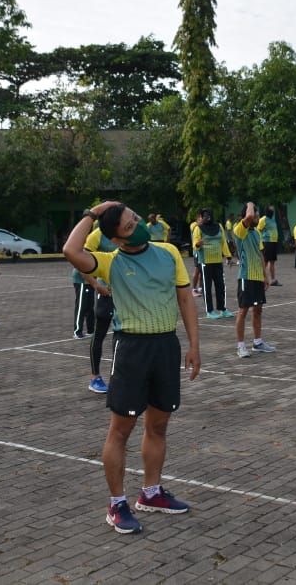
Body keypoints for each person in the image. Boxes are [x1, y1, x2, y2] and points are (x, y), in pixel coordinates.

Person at [63, 201, 201, 535]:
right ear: (115, 239)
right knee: (121, 431)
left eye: (135, 219)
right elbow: (71, 250)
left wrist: (195, 344)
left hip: (166, 346)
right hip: (132, 350)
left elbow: (185, 298)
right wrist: (93, 213)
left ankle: (151, 493)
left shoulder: (168, 252)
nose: (137, 226)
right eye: (128, 226)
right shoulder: (110, 262)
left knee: (158, 425)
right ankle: (116, 504)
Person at [231, 201, 276, 358]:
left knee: (258, 310)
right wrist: (250, 203)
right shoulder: (239, 230)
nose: (257, 216)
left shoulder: (256, 233)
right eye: (255, 214)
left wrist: (265, 276)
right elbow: (249, 215)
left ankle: (258, 342)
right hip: (245, 277)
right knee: (243, 311)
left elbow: (261, 255)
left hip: (257, 277)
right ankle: (240, 346)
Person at [82, 225, 118, 395]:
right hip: (106, 293)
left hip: (125, 294)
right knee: (99, 335)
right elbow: (81, 261)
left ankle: (120, 377)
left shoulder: (123, 232)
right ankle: (95, 377)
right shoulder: (96, 235)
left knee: (124, 336)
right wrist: (96, 284)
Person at [192, 208, 233, 319]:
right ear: (202, 216)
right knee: (207, 287)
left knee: (221, 285)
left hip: (218, 261)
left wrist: (228, 256)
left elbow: (223, 242)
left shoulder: (218, 227)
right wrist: (198, 244)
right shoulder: (198, 229)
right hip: (205, 262)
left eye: (209, 215)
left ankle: (223, 309)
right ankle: (209, 311)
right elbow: (195, 244)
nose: (207, 217)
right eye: (204, 215)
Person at [257, 205, 282, 286]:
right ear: (267, 211)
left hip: (273, 242)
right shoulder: (263, 219)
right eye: (271, 210)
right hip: (267, 242)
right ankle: (261, 279)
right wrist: (260, 242)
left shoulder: (272, 219)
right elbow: (258, 230)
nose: (272, 211)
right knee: (265, 262)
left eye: (273, 210)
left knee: (272, 262)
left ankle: (273, 280)